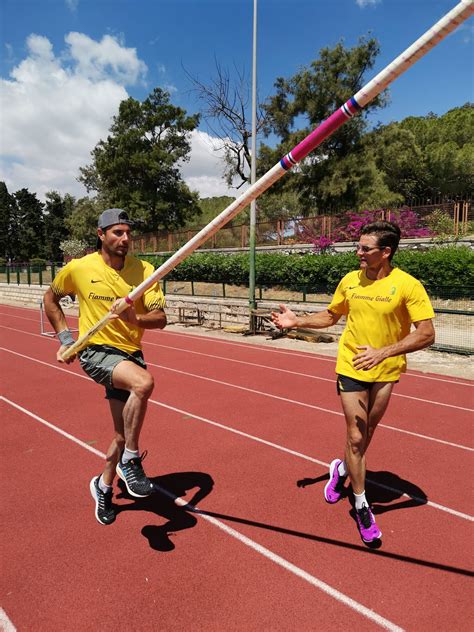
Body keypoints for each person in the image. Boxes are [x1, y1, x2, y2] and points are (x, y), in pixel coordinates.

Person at [272, 221, 435, 544]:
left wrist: (383, 352)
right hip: (350, 367)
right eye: (357, 247)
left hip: (385, 370)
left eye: (365, 249)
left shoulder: (408, 286)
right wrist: (297, 321)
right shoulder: (350, 281)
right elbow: (331, 317)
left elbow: (427, 333)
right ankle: (362, 505)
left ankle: (342, 471)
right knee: (357, 436)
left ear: (386, 252)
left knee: (367, 433)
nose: (358, 253)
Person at [43, 208, 167, 526]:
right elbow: (50, 298)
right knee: (143, 383)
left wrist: (135, 318)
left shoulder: (145, 271)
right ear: (101, 235)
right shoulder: (80, 268)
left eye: (128, 233)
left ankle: (103, 485)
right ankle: (132, 461)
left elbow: (161, 319)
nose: (125, 239)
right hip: (96, 350)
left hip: (130, 353)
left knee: (120, 433)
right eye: (118, 232)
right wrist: (66, 339)